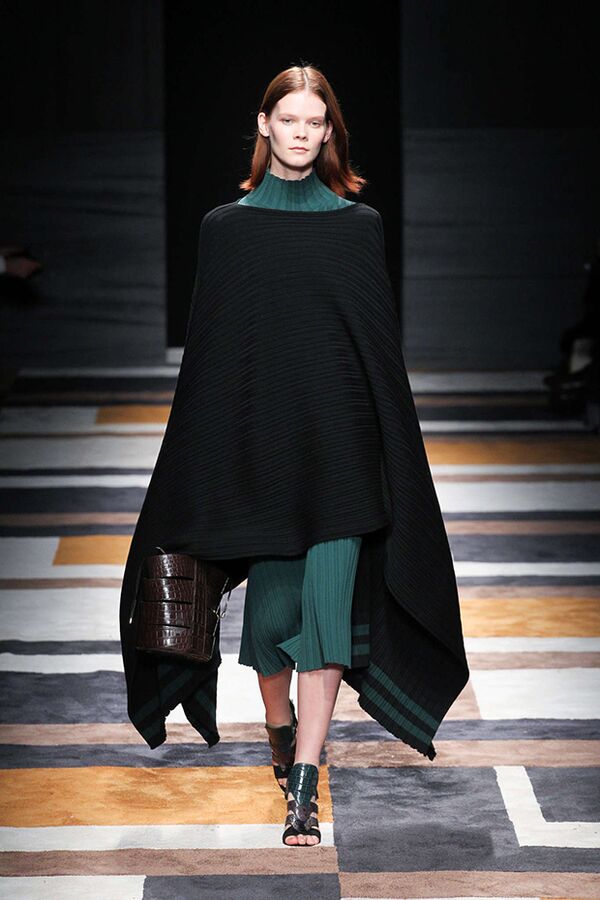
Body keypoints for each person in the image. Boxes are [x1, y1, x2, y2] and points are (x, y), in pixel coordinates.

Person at [118, 63, 469, 852]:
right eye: (291, 120)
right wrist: (194, 473)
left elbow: (375, 357)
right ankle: (278, 725)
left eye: (317, 122)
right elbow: (212, 364)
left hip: (342, 461)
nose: (303, 133)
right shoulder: (225, 229)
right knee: (274, 623)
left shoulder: (357, 227)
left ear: (329, 131)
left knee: (325, 623)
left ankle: (304, 781)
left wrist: (392, 463)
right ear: (265, 124)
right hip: (262, 463)